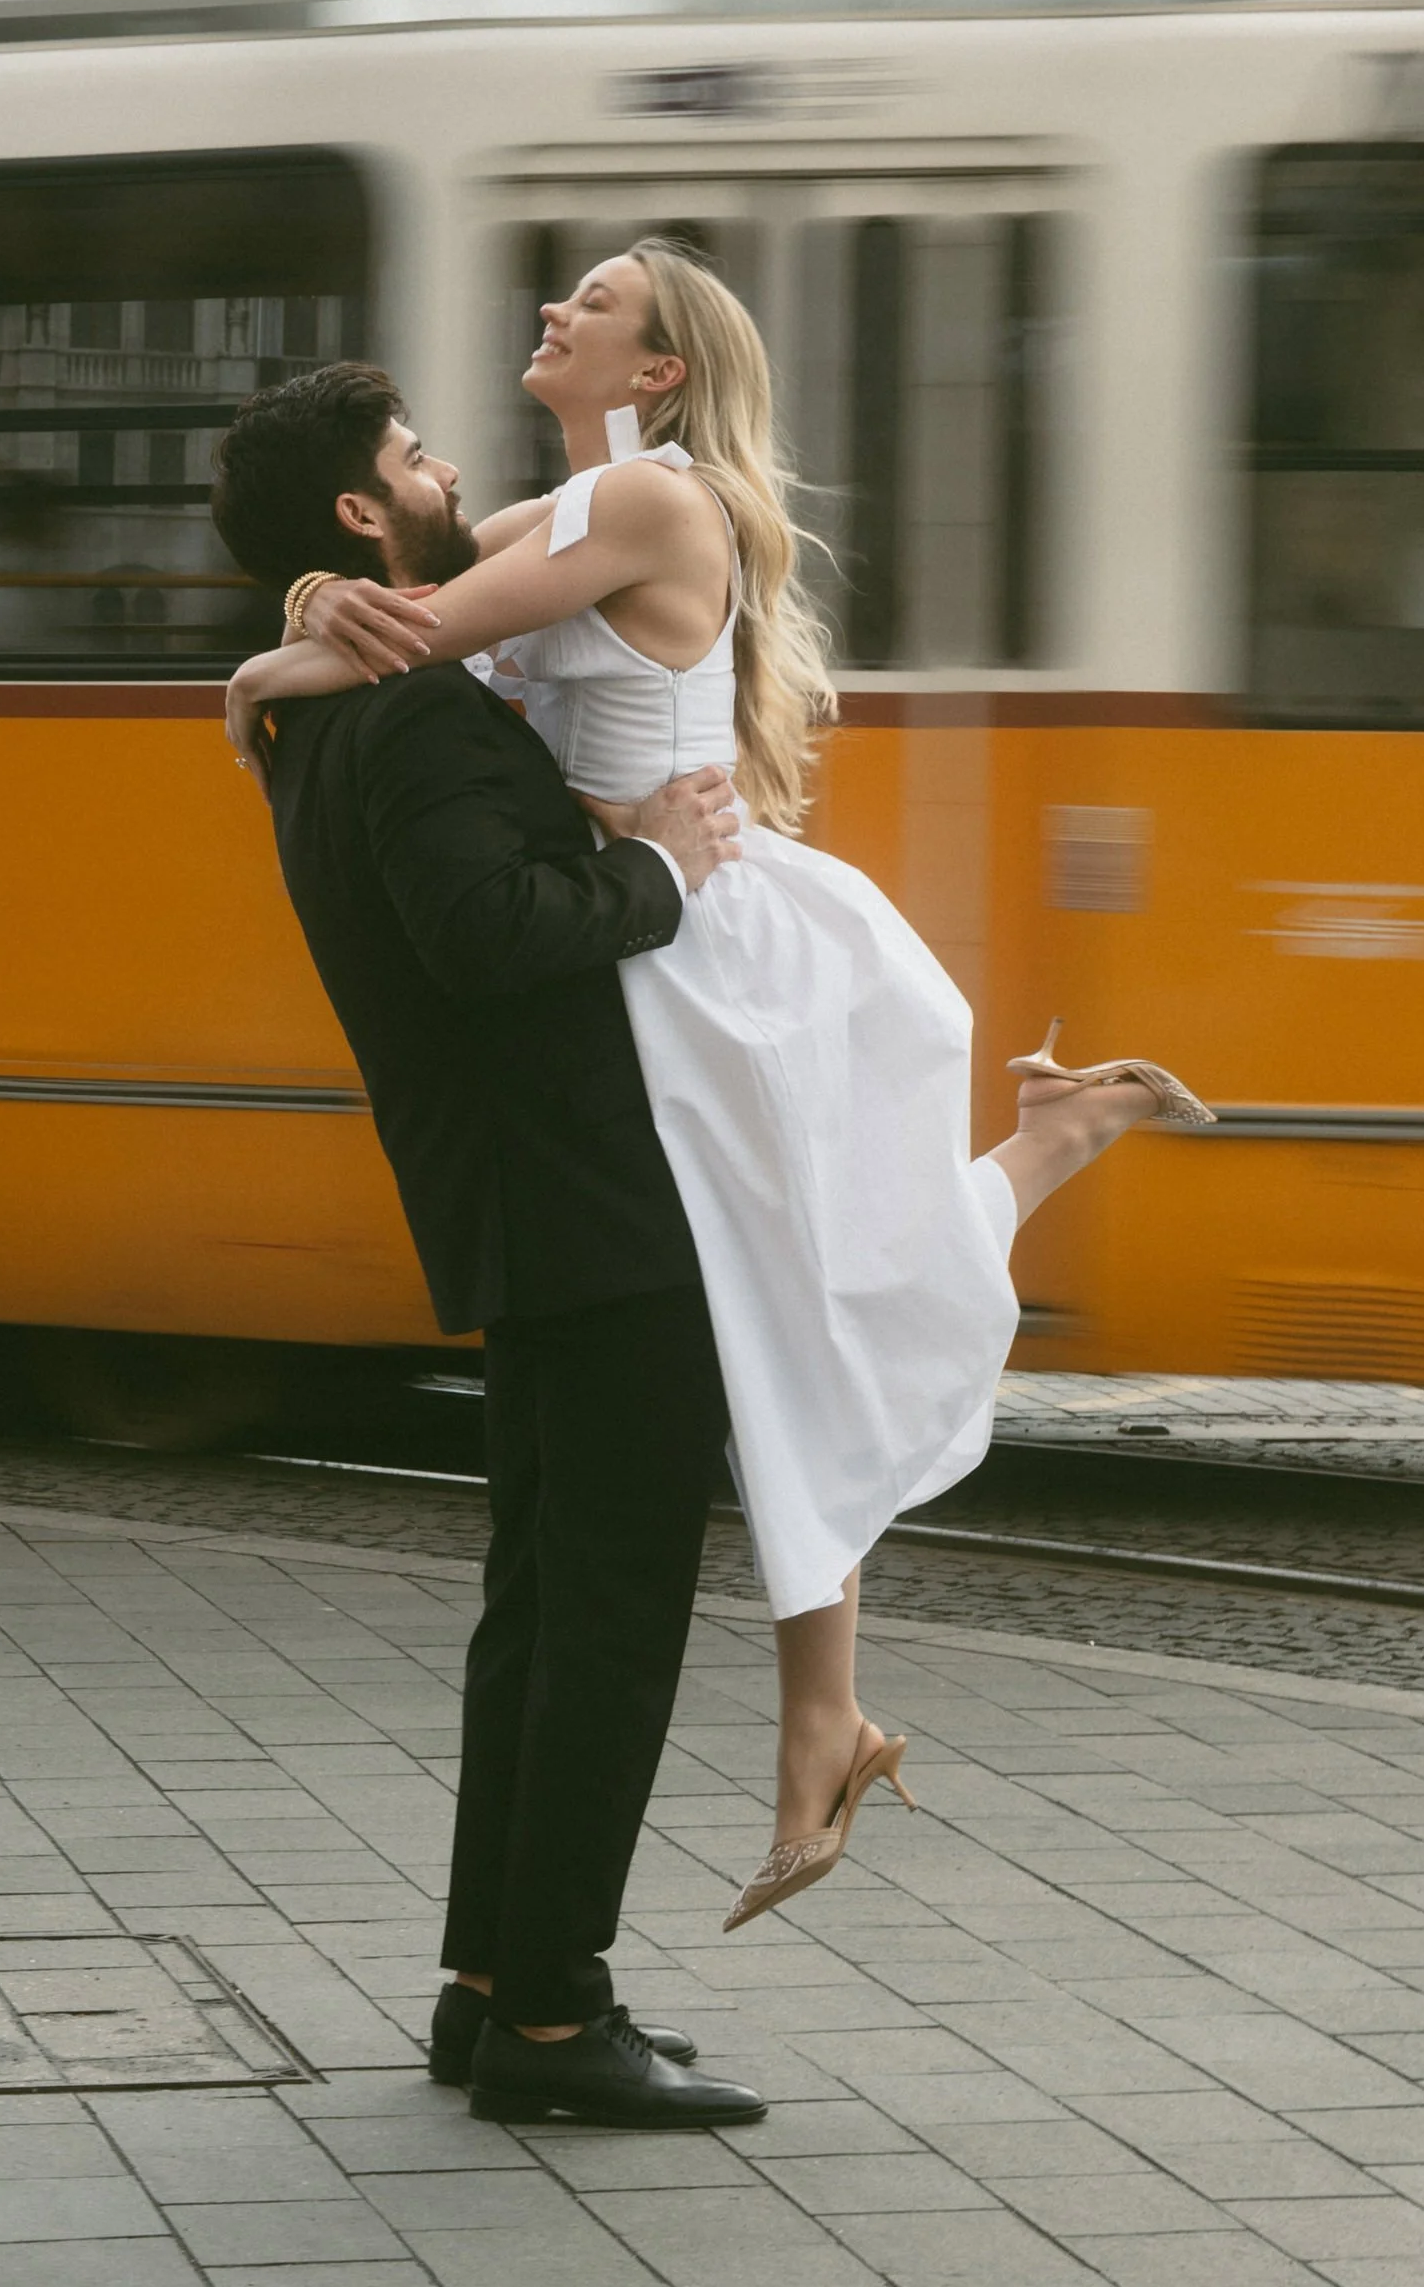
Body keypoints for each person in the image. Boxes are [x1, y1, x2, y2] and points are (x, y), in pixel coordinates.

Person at [226, 246, 1212, 1934]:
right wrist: (323, 601)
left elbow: (416, 629)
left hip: (713, 952)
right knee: (786, 1324)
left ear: (662, 369)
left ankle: (811, 1723)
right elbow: (415, 600)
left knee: (801, 1318)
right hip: (650, 960)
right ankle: (814, 1727)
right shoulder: (568, 504)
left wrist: (271, 660)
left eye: (594, 302)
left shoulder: (658, 506)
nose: (552, 311)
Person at [210, 360, 770, 2132]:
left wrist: (298, 619)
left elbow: (535, 549)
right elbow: (487, 930)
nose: (450, 470)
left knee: (539, 1610)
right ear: (370, 513)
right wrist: (666, 868)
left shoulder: (339, 707)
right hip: (591, 1202)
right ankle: (551, 2019)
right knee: (605, 1617)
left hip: (527, 1202)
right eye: (413, 459)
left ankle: (487, 1986)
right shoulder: (420, 718)